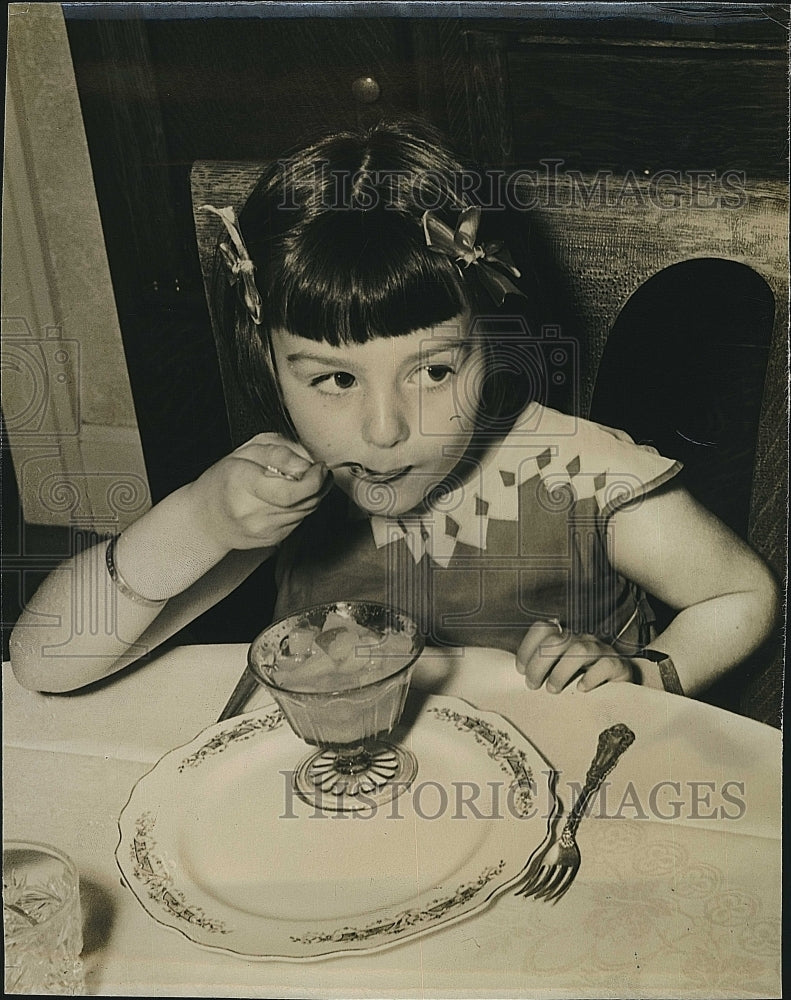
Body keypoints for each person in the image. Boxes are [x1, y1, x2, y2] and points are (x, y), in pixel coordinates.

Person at [9, 120, 778, 698]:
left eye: (434, 370)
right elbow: (45, 663)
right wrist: (195, 520)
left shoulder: (580, 473)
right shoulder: (286, 492)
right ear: (268, 362)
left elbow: (740, 593)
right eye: (333, 381)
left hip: (562, 804)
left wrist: (644, 675)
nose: (382, 431)